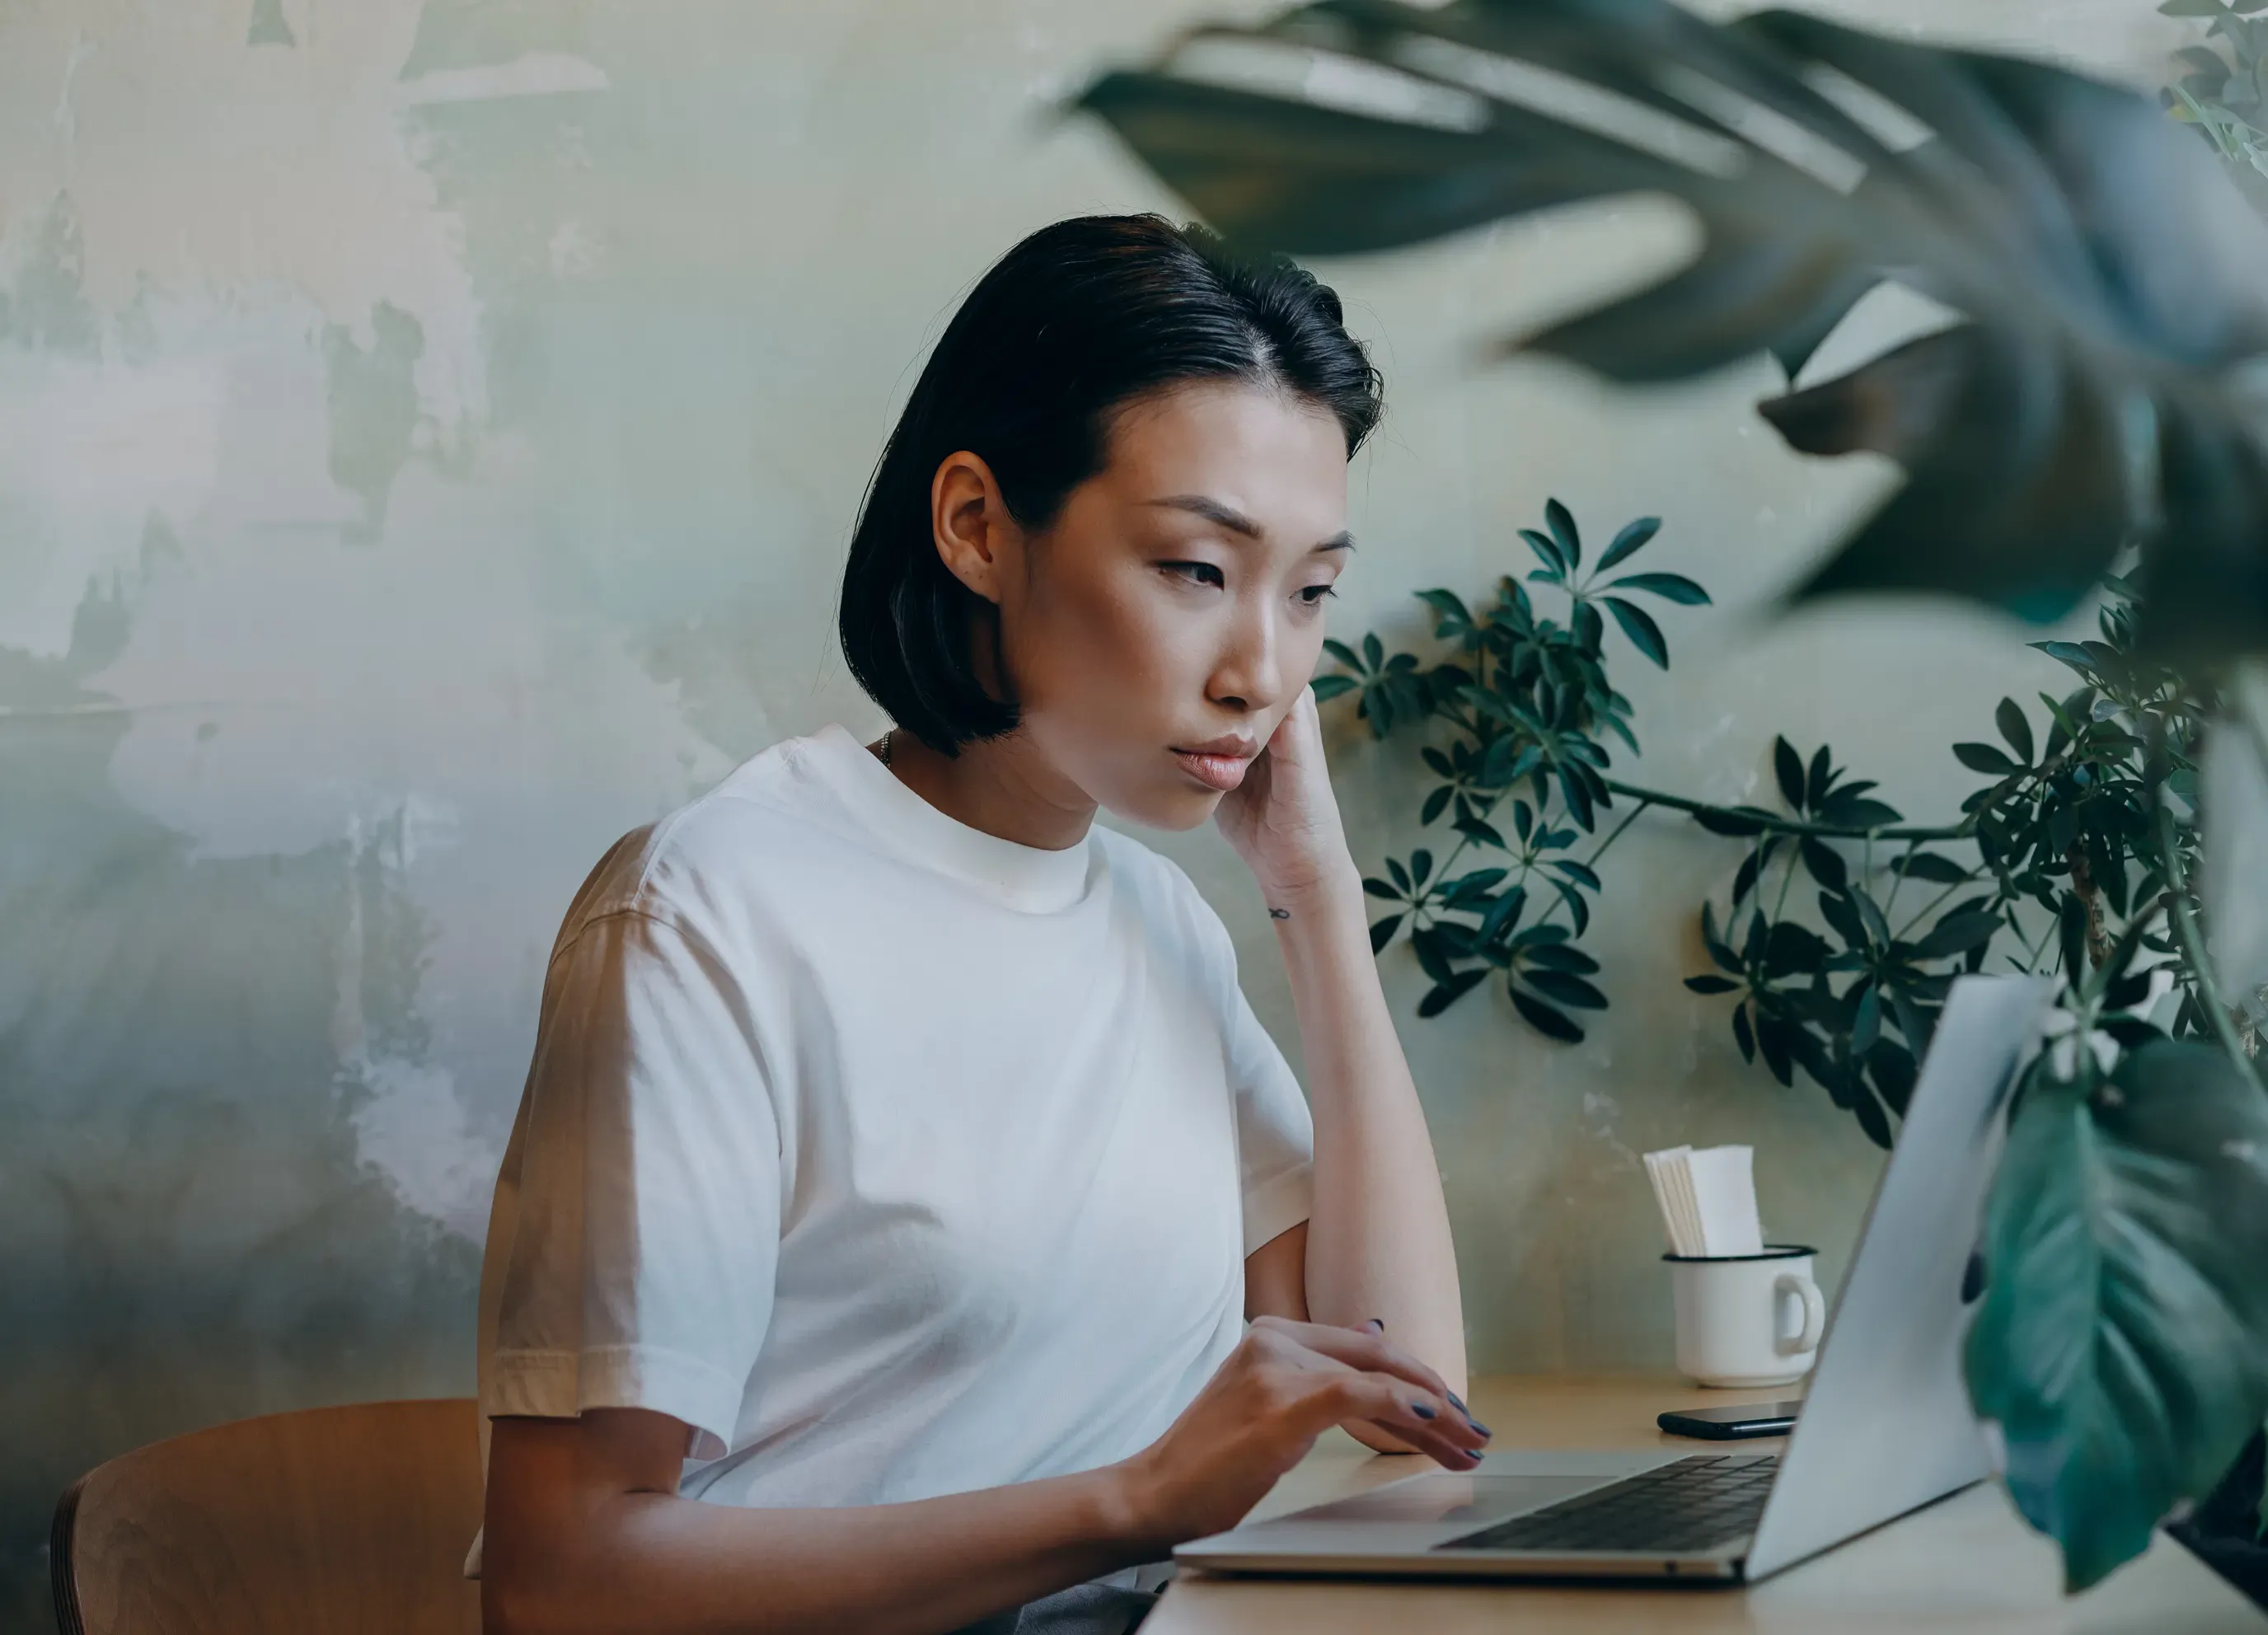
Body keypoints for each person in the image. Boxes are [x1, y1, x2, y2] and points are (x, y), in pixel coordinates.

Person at [472, 213, 1481, 1635]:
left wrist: (1317, 907)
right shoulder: (708, 916)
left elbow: (1404, 1389)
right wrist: (1134, 1504)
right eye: (1198, 570)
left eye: (1310, 593)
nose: (1262, 670)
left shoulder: (1157, 928)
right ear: (977, 528)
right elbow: (559, 1584)